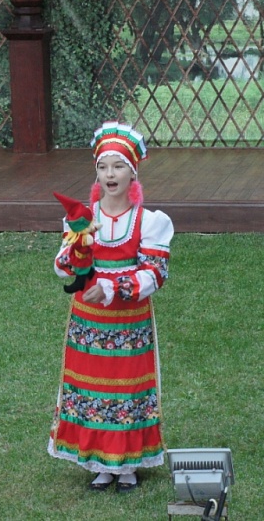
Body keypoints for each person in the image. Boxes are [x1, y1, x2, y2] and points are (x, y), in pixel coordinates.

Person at [48, 121, 174, 493]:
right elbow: (63, 265)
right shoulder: (82, 218)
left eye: (118, 166)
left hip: (129, 322)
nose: (109, 174)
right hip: (88, 322)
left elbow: (155, 273)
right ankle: (99, 463)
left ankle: (128, 465)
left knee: (127, 389)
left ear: (132, 173)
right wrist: (73, 257)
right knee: (90, 389)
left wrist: (111, 287)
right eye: (103, 167)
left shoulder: (148, 221)